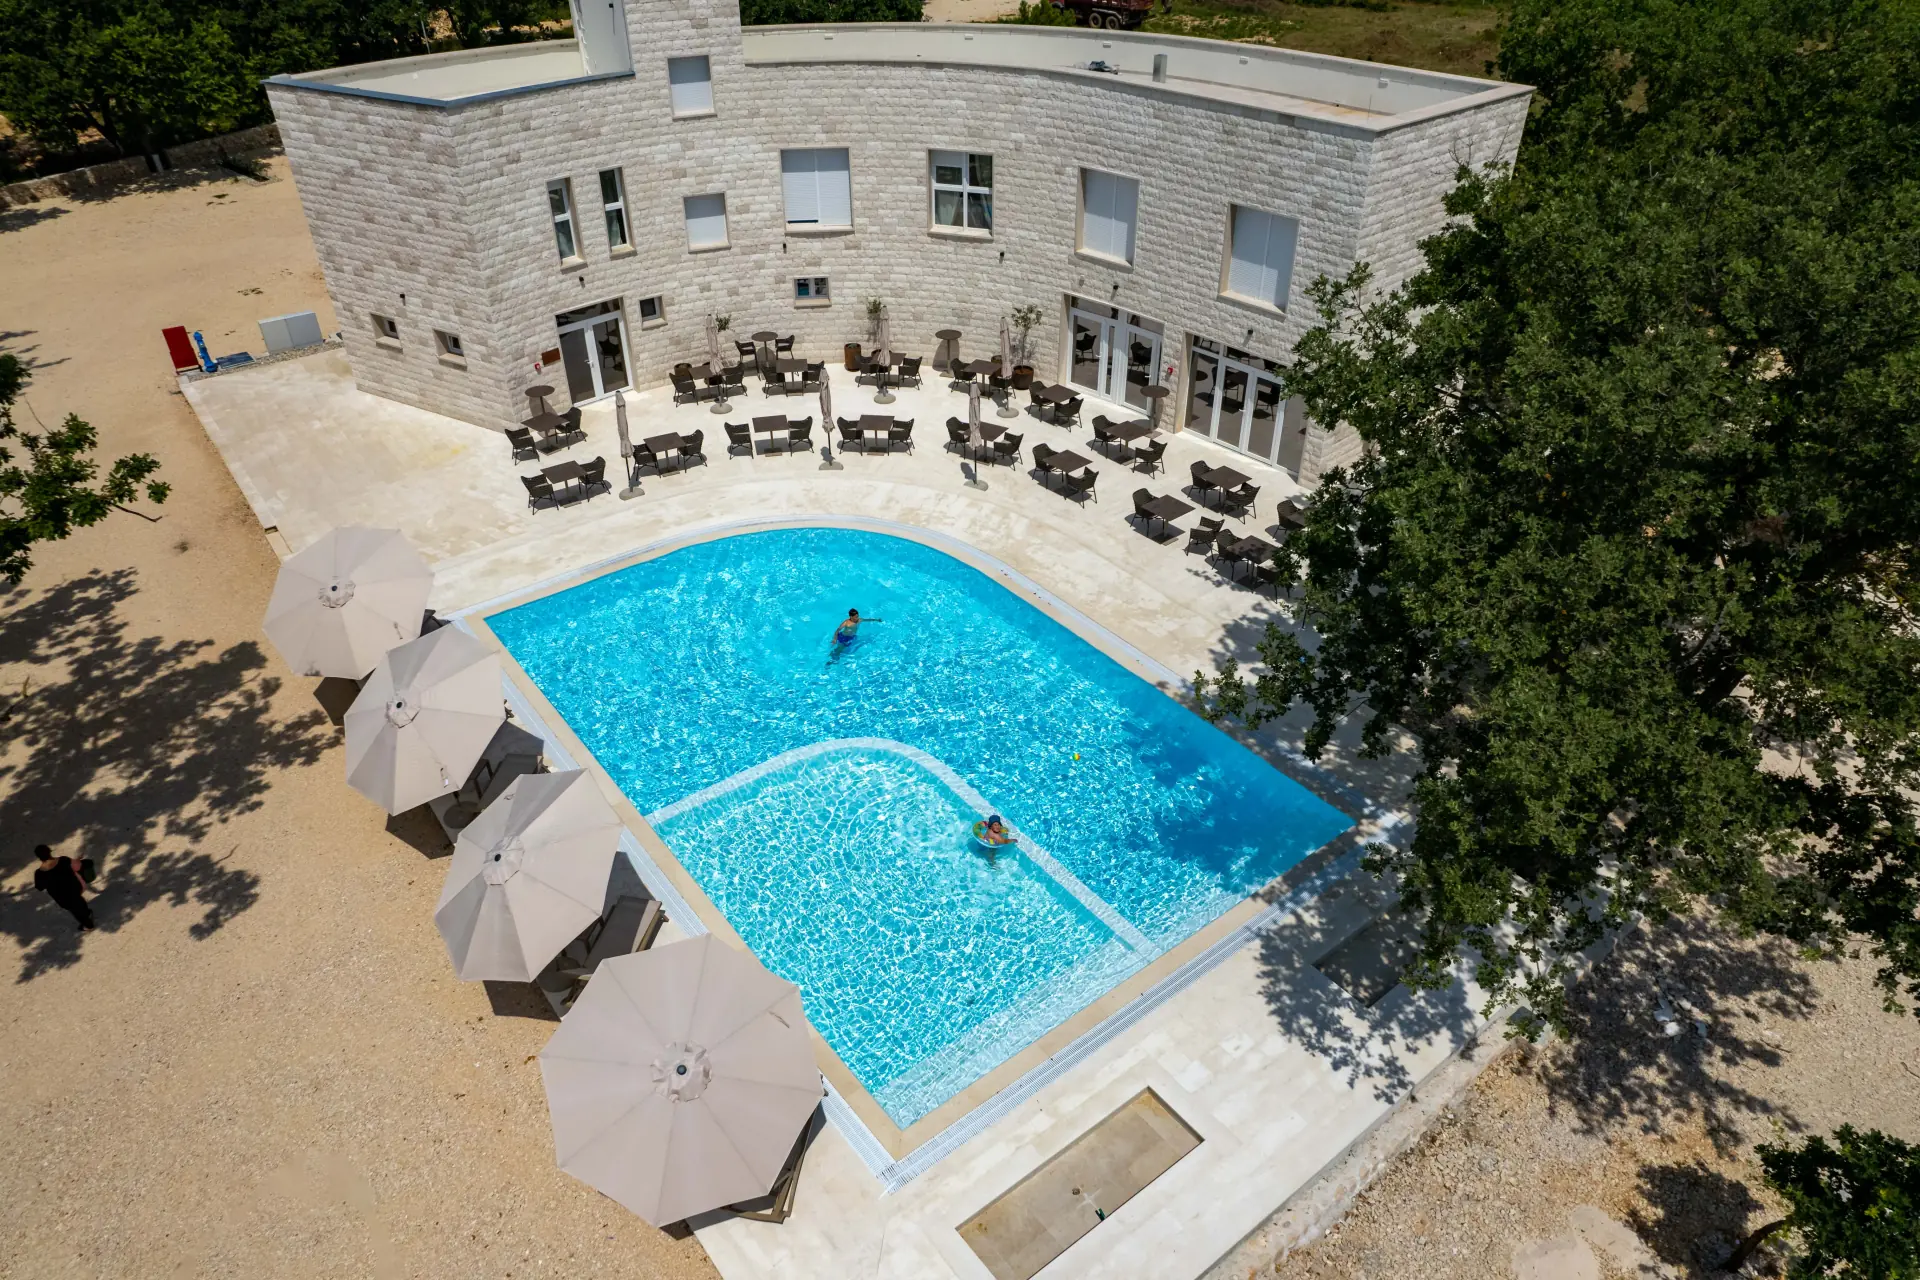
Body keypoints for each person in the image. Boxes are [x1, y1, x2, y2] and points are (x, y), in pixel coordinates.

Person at [33, 845, 94, 932]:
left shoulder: (39, 874)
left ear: (39, 857)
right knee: (79, 900)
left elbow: (40, 887)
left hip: (61, 897)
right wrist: (77, 860)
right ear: (49, 851)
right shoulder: (63, 860)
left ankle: (89, 926)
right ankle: (87, 913)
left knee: (75, 911)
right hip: (75, 888)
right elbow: (78, 866)